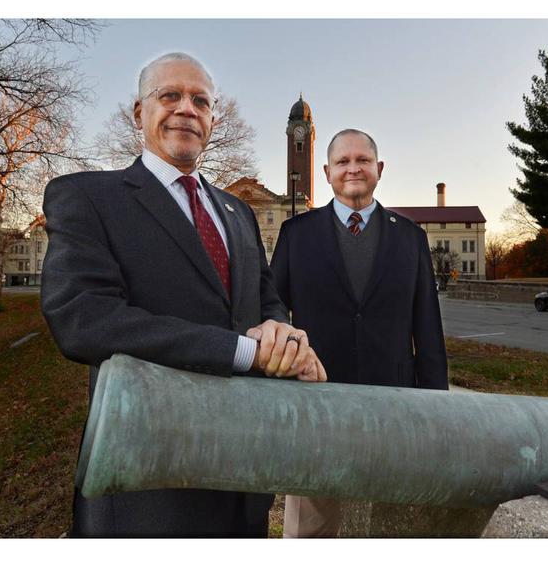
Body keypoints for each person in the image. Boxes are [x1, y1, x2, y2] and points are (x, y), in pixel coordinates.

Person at [40, 52, 326, 538]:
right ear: (139, 113)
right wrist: (242, 352)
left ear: (213, 118)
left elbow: (265, 298)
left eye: (201, 100)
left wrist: (282, 334)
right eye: (169, 95)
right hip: (149, 491)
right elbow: (83, 319)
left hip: (242, 481)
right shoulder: (88, 197)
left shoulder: (238, 213)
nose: (186, 109)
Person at [270, 129, 448, 538]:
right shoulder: (296, 234)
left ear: (379, 169)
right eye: (344, 162)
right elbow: (273, 309)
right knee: (310, 526)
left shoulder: (411, 238)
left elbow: (428, 326)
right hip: (315, 400)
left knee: (391, 521)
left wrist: (438, 407)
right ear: (328, 171)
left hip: (393, 401)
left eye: (363, 160)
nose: (354, 168)